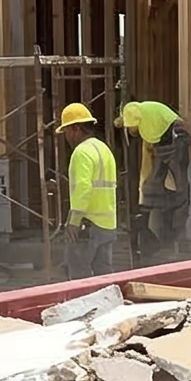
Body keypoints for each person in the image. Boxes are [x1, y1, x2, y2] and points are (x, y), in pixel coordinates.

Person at [120, 99, 191, 256]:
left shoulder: (150, 126)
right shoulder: (141, 113)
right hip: (171, 136)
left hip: (175, 138)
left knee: (174, 187)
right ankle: (161, 233)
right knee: (160, 182)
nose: (133, 132)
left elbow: (153, 143)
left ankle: (169, 238)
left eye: (133, 129)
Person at [57, 102, 118, 277]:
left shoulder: (81, 152)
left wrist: (74, 222)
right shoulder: (104, 149)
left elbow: (83, 188)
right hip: (107, 225)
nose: (66, 137)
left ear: (75, 128)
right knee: (104, 277)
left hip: (87, 225)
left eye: (66, 131)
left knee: (79, 278)